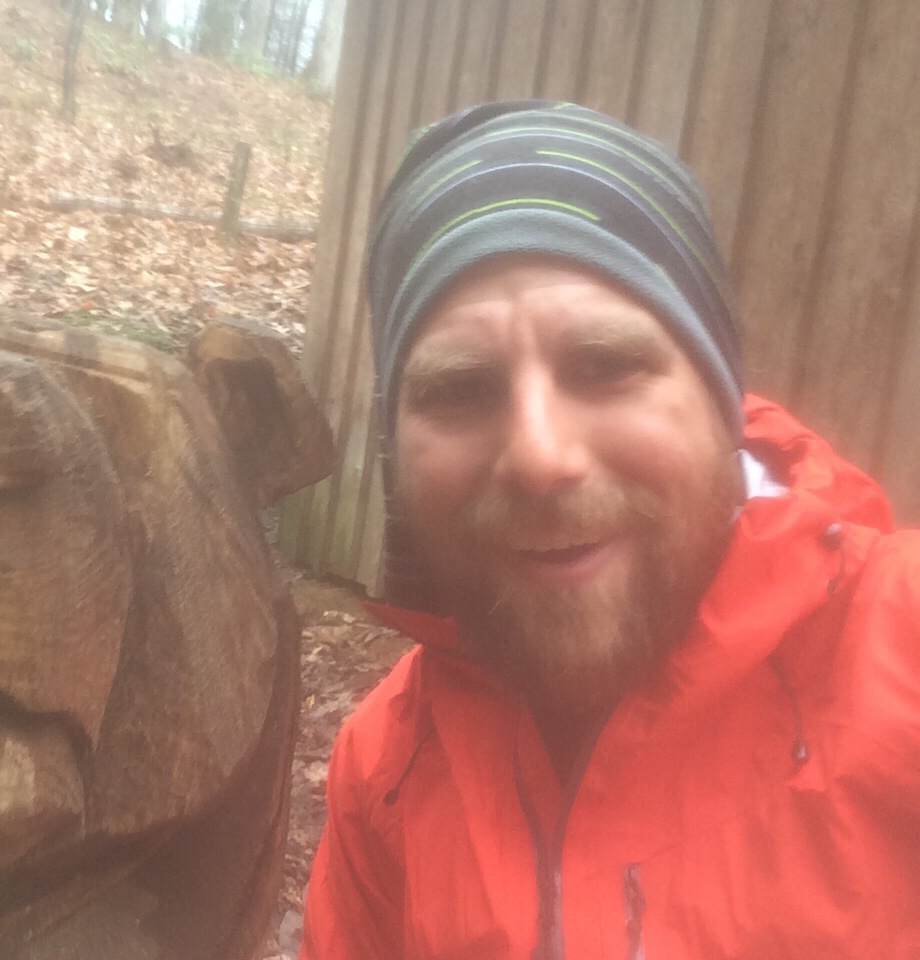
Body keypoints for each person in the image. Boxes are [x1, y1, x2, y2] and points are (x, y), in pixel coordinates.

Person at [299, 100, 920, 959]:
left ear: (722, 399)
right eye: (459, 389)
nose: (540, 456)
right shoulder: (386, 768)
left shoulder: (899, 661)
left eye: (607, 366)